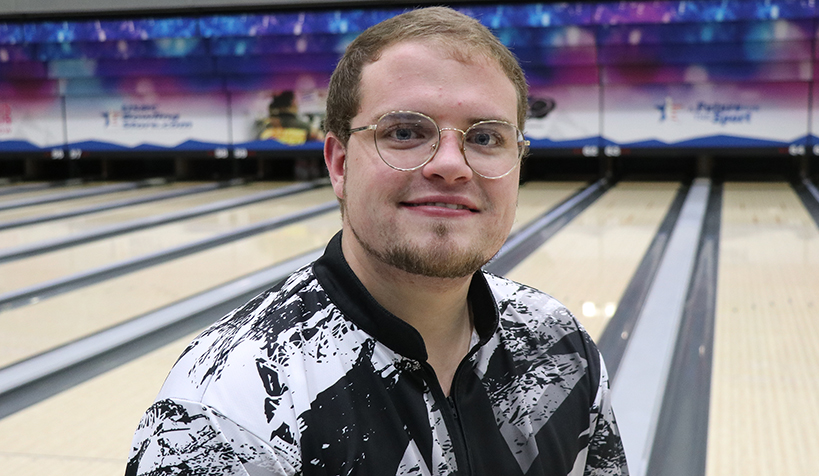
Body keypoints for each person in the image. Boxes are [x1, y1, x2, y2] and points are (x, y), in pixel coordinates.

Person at [126, 7, 628, 476]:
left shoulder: (558, 344)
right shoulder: (230, 413)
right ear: (340, 165)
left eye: (486, 137)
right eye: (405, 132)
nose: (451, 164)